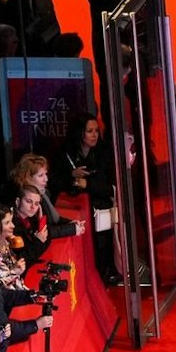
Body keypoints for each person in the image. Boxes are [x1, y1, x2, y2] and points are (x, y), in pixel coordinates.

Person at [57, 114, 122, 286]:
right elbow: (55, 182)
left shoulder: (105, 152)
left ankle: (105, 277)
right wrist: (72, 176)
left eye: (96, 131)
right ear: (80, 133)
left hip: (101, 212)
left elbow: (112, 187)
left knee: (103, 249)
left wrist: (88, 183)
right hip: (76, 212)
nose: (94, 135)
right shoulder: (65, 153)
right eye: (89, 131)